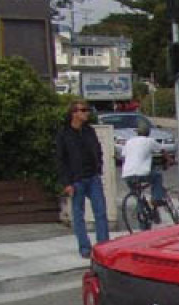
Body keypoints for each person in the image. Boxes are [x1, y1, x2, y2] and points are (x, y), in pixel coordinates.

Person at [56, 100, 110, 258]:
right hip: (76, 180)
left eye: (87, 110)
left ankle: (103, 246)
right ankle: (84, 248)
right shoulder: (64, 134)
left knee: (100, 212)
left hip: (93, 177)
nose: (86, 113)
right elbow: (60, 160)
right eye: (83, 110)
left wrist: (98, 166)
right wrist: (67, 182)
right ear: (74, 113)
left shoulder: (89, 131)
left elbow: (97, 149)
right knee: (79, 215)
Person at [120, 120, 167, 214]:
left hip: (127, 174)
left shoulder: (129, 142)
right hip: (142, 173)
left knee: (138, 194)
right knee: (157, 176)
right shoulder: (149, 141)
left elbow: (124, 157)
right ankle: (156, 199)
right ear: (148, 133)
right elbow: (163, 151)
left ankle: (142, 216)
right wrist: (170, 161)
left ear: (137, 132)